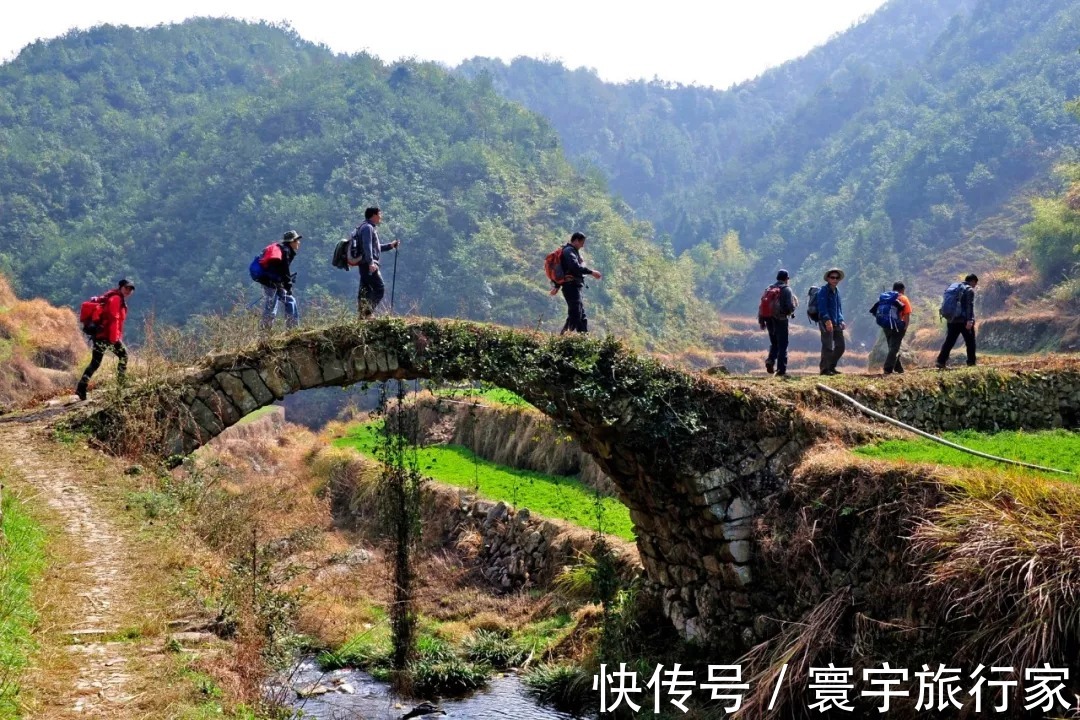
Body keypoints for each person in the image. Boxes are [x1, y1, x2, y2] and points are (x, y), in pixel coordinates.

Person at [76, 279, 135, 401]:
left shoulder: (112, 296)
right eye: (126, 288)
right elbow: (114, 318)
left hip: (100, 336)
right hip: (107, 336)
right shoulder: (116, 299)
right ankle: (121, 384)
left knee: (95, 363)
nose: (128, 291)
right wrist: (114, 339)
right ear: (120, 287)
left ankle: (81, 388)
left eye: (130, 289)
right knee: (123, 355)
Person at [352, 207, 400, 317]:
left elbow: (375, 247)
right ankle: (367, 313)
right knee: (379, 288)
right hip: (368, 264)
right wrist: (371, 263)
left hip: (364, 264)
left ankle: (362, 316)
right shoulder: (368, 228)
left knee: (365, 291)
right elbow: (367, 246)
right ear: (373, 215)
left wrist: (390, 246)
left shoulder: (365, 227)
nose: (381, 217)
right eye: (379, 214)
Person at [557, 232, 602, 334]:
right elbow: (575, 267)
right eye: (582, 242)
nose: (583, 245)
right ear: (576, 240)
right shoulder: (569, 251)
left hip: (575, 286)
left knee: (580, 313)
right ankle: (565, 338)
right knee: (576, 313)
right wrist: (591, 272)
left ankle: (583, 338)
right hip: (570, 286)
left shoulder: (573, 251)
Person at [259, 230, 302, 331]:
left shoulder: (284, 250)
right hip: (271, 283)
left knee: (290, 301)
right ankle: (265, 333)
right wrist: (289, 286)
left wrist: (285, 284)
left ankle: (293, 329)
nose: (299, 242)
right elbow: (285, 271)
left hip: (275, 283)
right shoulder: (286, 251)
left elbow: (282, 271)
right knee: (271, 307)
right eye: (297, 240)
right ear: (292, 241)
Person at [758, 269, 796, 377]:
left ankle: (770, 360)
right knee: (783, 344)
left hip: (768, 319)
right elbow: (789, 307)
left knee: (774, 343)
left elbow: (761, 305)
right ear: (786, 279)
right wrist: (792, 310)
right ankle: (781, 371)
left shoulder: (769, 288)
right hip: (781, 320)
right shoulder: (786, 289)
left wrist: (762, 320)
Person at [936, 273, 978, 369]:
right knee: (970, 341)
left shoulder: (954, 288)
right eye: (975, 284)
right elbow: (969, 306)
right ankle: (971, 363)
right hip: (963, 320)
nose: (975, 286)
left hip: (951, 319)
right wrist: (970, 320)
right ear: (973, 281)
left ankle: (940, 361)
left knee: (949, 341)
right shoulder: (969, 290)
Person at [877, 282, 913, 375]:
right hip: (897, 326)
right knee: (894, 348)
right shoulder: (903, 298)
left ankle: (898, 368)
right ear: (902, 289)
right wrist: (905, 326)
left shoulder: (886, 297)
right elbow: (907, 314)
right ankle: (888, 368)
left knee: (892, 347)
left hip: (886, 325)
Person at [816, 268, 846, 376]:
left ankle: (831, 367)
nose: (835, 280)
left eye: (837, 278)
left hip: (836, 322)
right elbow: (822, 307)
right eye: (832, 277)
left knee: (841, 346)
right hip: (826, 322)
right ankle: (824, 369)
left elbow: (839, 308)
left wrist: (841, 320)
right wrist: (827, 320)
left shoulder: (837, 291)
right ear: (828, 278)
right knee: (827, 346)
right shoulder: (823, 291)